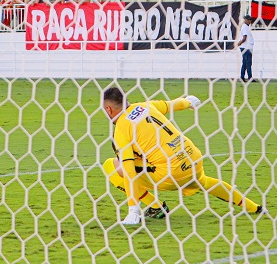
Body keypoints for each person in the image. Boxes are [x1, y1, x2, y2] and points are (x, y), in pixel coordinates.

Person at [100, 86, 264, 225]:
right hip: (193, 159)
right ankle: (254, 207)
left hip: (171, 173)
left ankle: (156, 207)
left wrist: (132, 210)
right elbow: (170, 104)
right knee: (204, 182)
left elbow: (129, 170)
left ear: (108, 109)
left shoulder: (121, 128)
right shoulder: (145, 105)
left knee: (113, 165)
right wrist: (189, 101)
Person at [236, 14, 254, 82]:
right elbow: (244, 37)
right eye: (249, 20)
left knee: (245, 63)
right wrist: (240, 43)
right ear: (246, 20)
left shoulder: (245, 27)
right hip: (246, 47)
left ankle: (242, 77)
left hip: (246, 47)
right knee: (248, 62)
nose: (250, 21)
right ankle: (249, 77)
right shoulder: (245, 27)